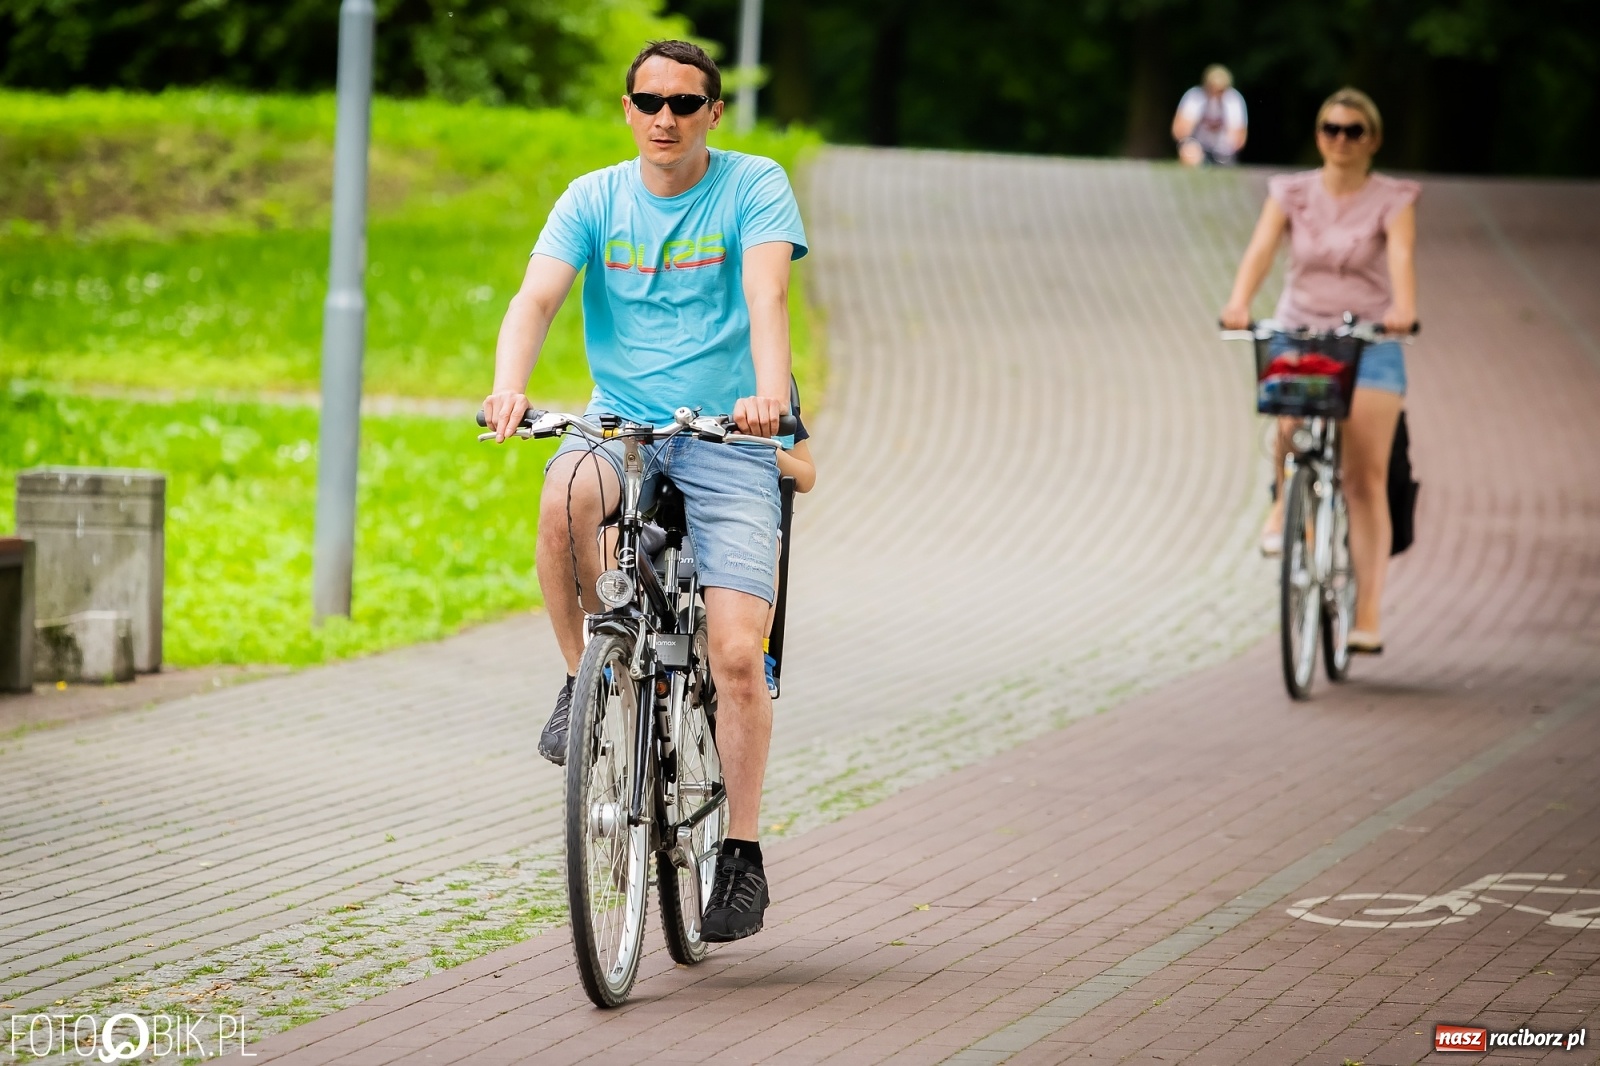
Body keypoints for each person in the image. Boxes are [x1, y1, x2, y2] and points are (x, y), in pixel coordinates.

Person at [482, 39, 807, 942]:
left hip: (724, 435)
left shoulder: (753, 185)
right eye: (649, 100)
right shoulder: (593, 197)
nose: (665, 116)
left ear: (711, 112)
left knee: (738, 655)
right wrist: (511, 383)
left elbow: (767, 292)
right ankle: (581, 676)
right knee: (561, 498)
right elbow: (536, 299)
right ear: (628, 108)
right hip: (622, 424)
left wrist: (768, 396)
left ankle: (740, 851)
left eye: (684, 102)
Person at [1220, 87, 1419, 655]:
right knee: (1286, 419)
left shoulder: (1393, 198)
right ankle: (1284, 501)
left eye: (1354, 131)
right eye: (1331, 129)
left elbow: (1401, 256)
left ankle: (1370, 614)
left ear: (1372, 140)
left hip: (1369, 337)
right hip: (1302, 329)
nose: (1341, 140)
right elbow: (1261, 249)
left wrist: (1403, 309)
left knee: (1364, 478)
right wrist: (1239, 300)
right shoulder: (1291, 193)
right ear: (1318, 135)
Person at [765, 378, 816, 696]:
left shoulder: (774, 394)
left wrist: (769, 451)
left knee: (765, 543)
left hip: (741, 510)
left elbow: (807, 476)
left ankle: (760, 650)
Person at [1172, 65, 1247, 166]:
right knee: (1188, 151)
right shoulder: (1195, 97)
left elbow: (1240, 139)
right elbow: (1178, 131)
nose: (1216, 93)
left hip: (1224, 152)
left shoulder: (1234, 100)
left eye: (1220, 90)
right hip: (1199, 147)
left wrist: (1228, 145)